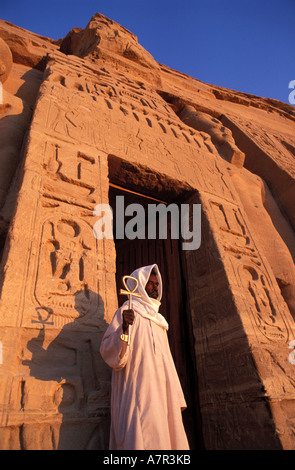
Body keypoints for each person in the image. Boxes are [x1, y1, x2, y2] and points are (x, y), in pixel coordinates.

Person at [100, 263, 189, 450]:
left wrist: (175, 395)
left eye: (157, 284)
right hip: (136, 389)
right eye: (150, 283)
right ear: (139, 284)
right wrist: (124, 328)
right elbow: (109, 351)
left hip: (162, 393)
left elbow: (168, 362)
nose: (155, 287)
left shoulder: (160, 322)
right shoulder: (126, 313)